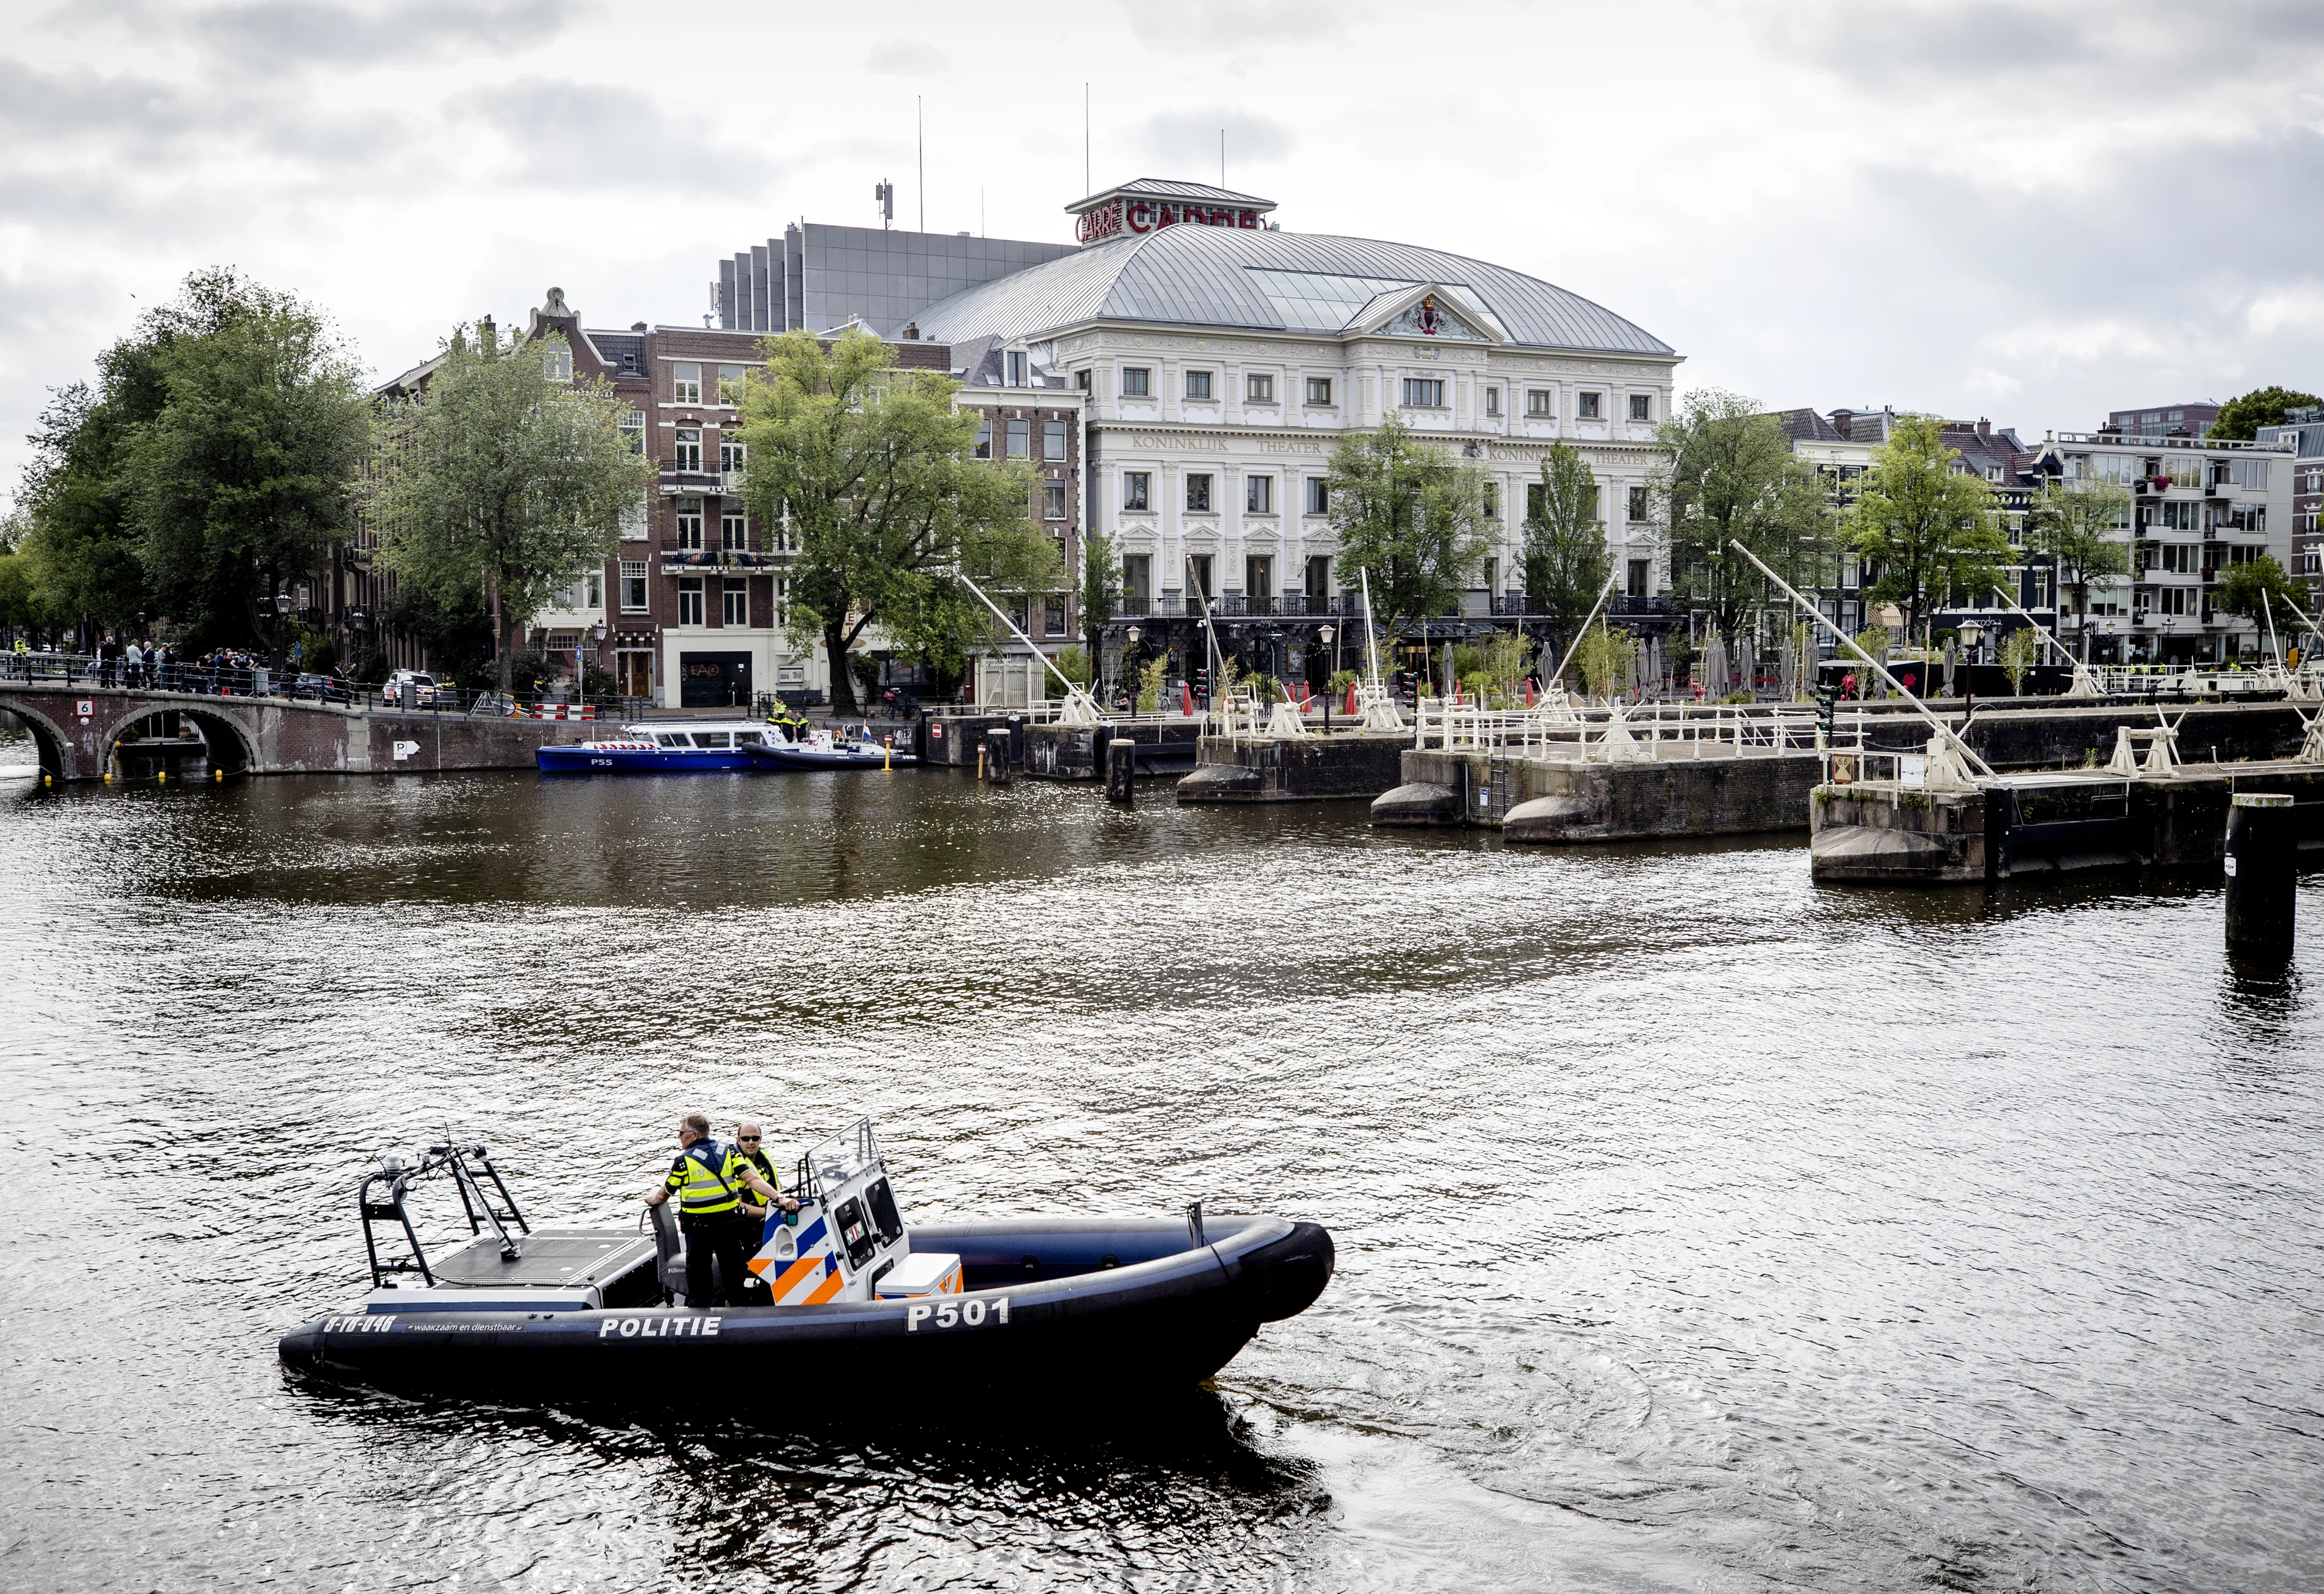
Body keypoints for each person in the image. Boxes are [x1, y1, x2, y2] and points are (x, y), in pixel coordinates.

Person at [644, 1112, 789, 1308]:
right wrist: (779, 1198)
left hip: (699, 1231)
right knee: (736, 1281)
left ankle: (700, 1320)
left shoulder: (683, 1162)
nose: (679, 1137)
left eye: (681, 1133)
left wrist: (654, 1200)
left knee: (699, 1284)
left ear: (694, 1135)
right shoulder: (730, 1152)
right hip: (729, 1228)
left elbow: (665, 1194)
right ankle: (741, 1317)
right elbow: (752, 1179)